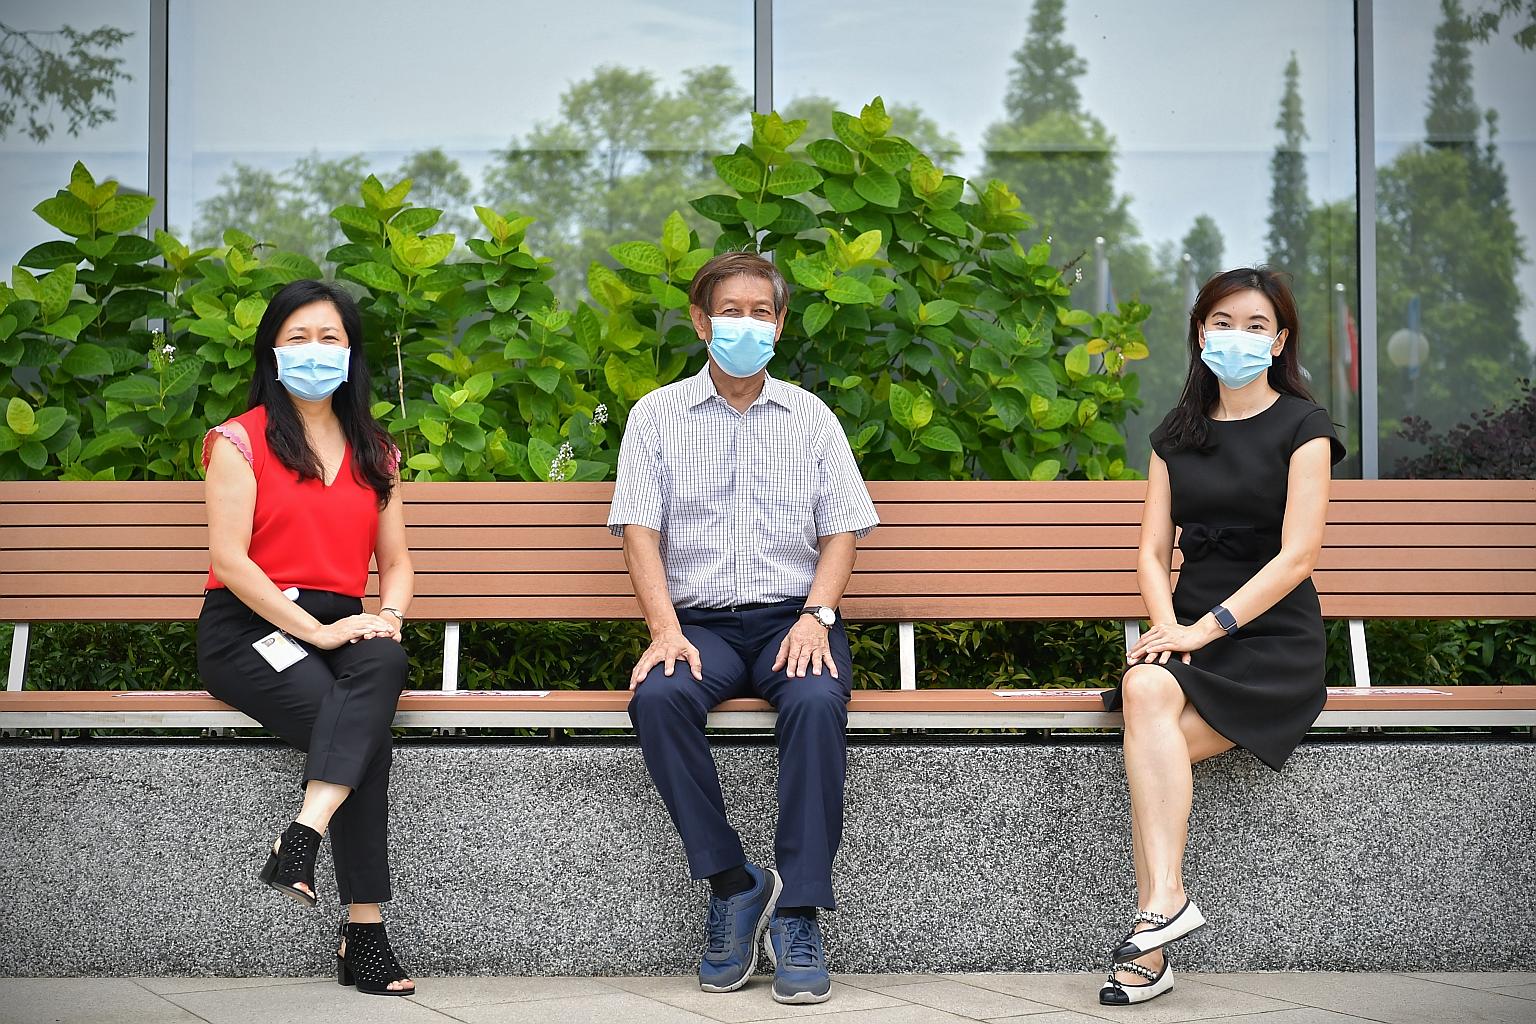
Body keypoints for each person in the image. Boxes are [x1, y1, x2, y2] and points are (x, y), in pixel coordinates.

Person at [609, 251, 880, 1005]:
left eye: (762, 313)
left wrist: (818, 617)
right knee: (658, 698)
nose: (746, 325)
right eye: (731, 311)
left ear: (781, 325)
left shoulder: (811, 417)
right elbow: (639, 533)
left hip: (794, 619)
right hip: (700, 628)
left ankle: (797, 908)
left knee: (818, 702)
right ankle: (733, 882)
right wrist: (665, 632)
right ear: (701, 321)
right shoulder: (656, 416)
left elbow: (843, 532)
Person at [1097, 267, 1344, 1006]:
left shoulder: (1305, 427)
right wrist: (1165, 627)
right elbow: (1149, 551)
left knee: (1145, 733)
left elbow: (1298, 555)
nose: (1238, 337)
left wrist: (1202, 630)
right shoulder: (1176, 434)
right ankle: (1163, 908)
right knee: (1144, 686)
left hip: (1269, 639)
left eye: (1257, 325)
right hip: (1190, 629)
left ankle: (1153, 936)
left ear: (1281, 341)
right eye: (1223, 323)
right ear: (1201, 334)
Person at [196, 278, 417, 997]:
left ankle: (304, 834)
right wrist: (320, 633)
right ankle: (367, 932)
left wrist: (390, 615)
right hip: (250, 627)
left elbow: (399, 564)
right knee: (362, 731)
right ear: (272, 349)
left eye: (330, 338)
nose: (314, 351)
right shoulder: (238, 440)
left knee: (383, 654)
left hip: (339, 625)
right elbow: (231, 562)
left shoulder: (374, 450)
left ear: (351, 354)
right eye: (298, 337)